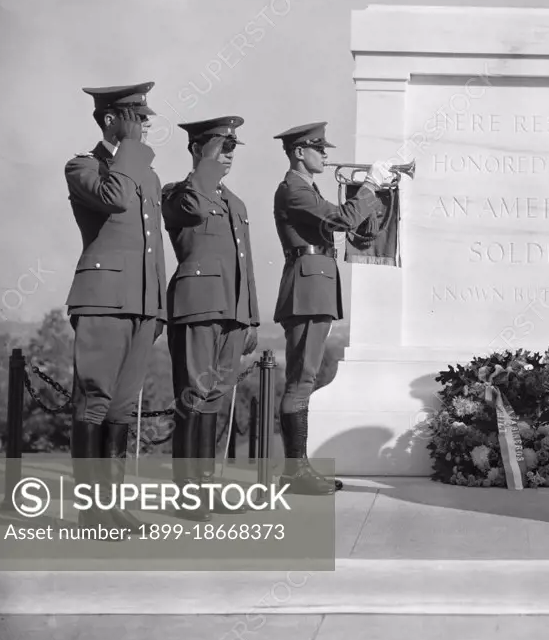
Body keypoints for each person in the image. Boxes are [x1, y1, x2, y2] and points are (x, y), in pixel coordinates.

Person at [64, 82, 167, 532]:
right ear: (110, 119)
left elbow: (155, 245)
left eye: (145, 117)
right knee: (94, 404)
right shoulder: (83, 165)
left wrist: (158, 305)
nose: (145, 124)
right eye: (136, 116)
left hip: (142, 303)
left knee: (122, 407)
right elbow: (115, 199)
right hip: (102, 299)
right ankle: (91, 510)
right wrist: (128, 148)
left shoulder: (143, 172)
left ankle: (112, 504)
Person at [272, 122, 395, 494]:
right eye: (318, 148)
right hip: (307, 289)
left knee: (305, 380)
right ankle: (294, 472)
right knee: (301, 381)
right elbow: (341, 219)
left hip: (316, 286)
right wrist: (371, 187)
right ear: (299, 152)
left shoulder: (306, 187)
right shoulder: (293, 189)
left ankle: (298, 469)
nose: (325, 154)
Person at [161, 116, 259, 521]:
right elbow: (193, 208)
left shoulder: (235, 202)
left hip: (231, 311)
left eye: (232, 148)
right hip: (197, 306)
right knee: (194, 395)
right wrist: (206, 167)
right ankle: (188, 493)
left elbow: (245, 264)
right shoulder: (177, 193)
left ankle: (204, 484)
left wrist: (250, 317)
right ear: (197, 149)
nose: (229, 155)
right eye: (221, 147)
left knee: (215, 398)